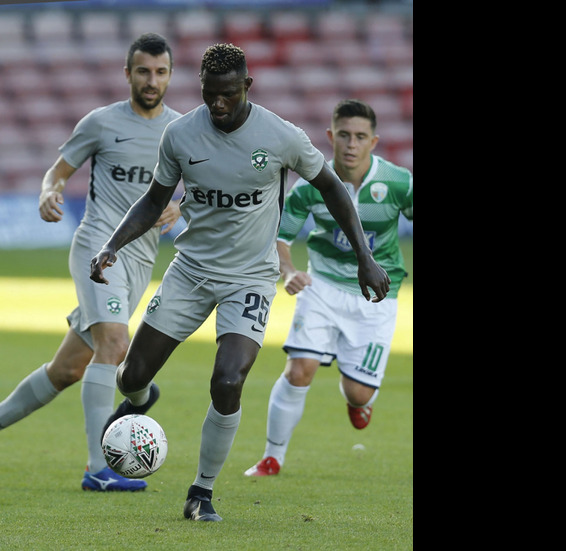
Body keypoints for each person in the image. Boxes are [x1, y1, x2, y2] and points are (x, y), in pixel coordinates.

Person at [89, 44, 391, 521]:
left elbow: (331, 187)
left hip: (249, 278)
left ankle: (201, 492)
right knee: (132, 377)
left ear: (247, 86)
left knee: (228, 381)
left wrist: (364, 256)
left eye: (228, 94)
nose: (218, 104)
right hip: (191, 272)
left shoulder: (280, 136)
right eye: (210, 93)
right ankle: (142, 400)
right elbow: (154, 200)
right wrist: (112, 245)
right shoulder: (180, 135)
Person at [0, 33, 184, 492]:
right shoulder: (101, 123)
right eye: (143, 71)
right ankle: (99, 468)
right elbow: (58, 171)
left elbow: (202, 187)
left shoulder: (181, 130)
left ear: (170, 76)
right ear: (127, 73)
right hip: (98, 249)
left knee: (66, 370)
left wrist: (182, 207)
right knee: (115, 342)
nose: (151, 80)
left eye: (160, 72)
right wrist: (49, 191)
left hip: (140, 260)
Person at [244, 99, 413, 477]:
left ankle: (358, 401)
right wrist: (289, 271)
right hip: (321, 286)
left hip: (377, 295)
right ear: (330, 136)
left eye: (360, 137)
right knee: (299, 370)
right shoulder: (310, 186)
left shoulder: (398, 182)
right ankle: (272, 457)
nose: (351, 144)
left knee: (358, 393)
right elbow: (281, 238)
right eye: (344, 135)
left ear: (374, 142)